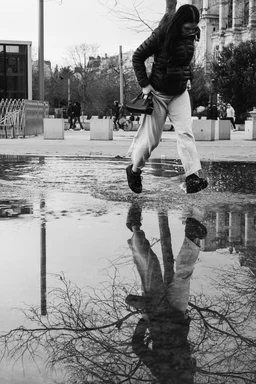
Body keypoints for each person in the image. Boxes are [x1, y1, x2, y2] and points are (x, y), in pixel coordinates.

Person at [125, 4, 208, 194]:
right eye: (188, 28)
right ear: (179, 23)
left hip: (179, 93)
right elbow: (138, 56)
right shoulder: (162, 33)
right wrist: (145, 84)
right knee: (150, 141)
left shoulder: (191, 36)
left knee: (186, 134)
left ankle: (192, 177)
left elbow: (184, 62)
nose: (191, 32)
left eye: (194, 28)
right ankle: (134, 170)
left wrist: (187, 79)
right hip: (158, 94)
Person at [125, 202, 207, 384]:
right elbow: (188, 355)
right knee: (184, 273)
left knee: (149, 265)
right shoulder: (187, 378)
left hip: (158, 312)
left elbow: (138, 346)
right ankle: (192, 236)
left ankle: (134, 225)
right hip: (178, 313)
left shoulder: (161, 373)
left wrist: (144, 321)